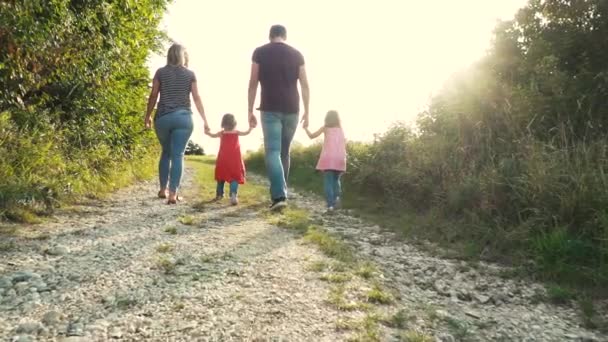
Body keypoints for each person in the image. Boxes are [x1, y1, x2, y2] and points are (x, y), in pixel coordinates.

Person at [247, 24, 310, 211]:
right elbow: (305, 85)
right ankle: (282, 193)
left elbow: (253, 83)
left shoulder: (260, 52)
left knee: (273, 151)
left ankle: (279, 196)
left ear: (270, 36)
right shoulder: (297, 54)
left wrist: (249, 110)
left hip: (270, 107)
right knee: (284, 151)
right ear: (285, 36)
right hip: (293, 108)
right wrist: (308, 110)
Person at [145, 43, 210, 204]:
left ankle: (162, 189)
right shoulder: (190, 74)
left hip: (163, 118)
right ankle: (173, 193)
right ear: (183, 57)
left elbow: (153, 95)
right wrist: (205, 120)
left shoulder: (160, 72)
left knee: (166, 152)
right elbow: (196, 97)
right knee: (178, 155)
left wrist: (147, 116)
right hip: (183, 118)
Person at [303, 110, 347, 212]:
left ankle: (330, 205)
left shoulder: (325, 128)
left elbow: (311, 136)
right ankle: (336, 198)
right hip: (340, 157)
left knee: (328, 181)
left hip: (328, 158)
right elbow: (344, 143)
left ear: (327, 118)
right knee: (336, 180)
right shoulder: (341, 129)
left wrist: (305, 128)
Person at [205, 114, 252, 205]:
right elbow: (246, 132)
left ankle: (219, 194)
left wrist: (207, 132)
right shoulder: (236, 132)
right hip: (235, 159)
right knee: (234, 177)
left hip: (223, 158)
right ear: (234, 123)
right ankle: (233, 195)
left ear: (223, 123)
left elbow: (211, 135)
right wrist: (251, 127)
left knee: (221, 176)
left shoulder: (221, 133)